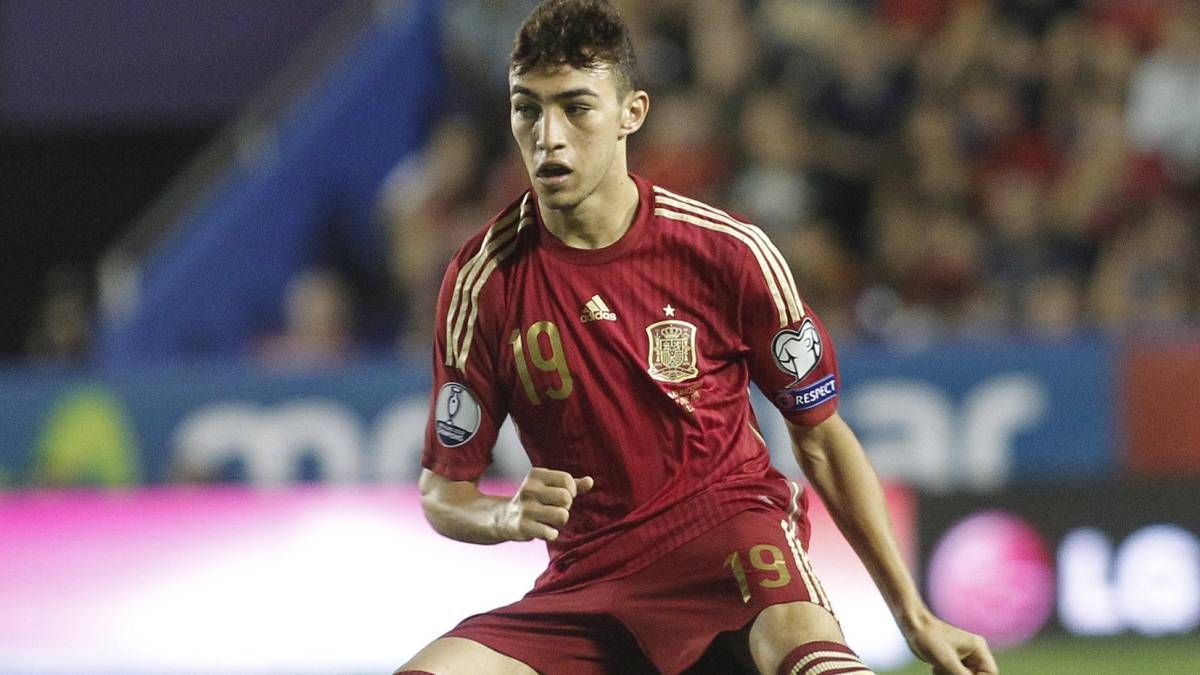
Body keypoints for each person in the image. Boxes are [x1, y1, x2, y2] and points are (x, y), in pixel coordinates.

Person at [397, 1, 998, 674]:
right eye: (527, 110)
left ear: (631, 113)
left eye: (576, 107)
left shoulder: (726, 251)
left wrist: (913, 614)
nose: (548, 136)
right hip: (588, 582)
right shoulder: (483, 281)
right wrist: (505, 517)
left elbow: (822, 439)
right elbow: (444, 491)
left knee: (811, 656)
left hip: (731, 545)